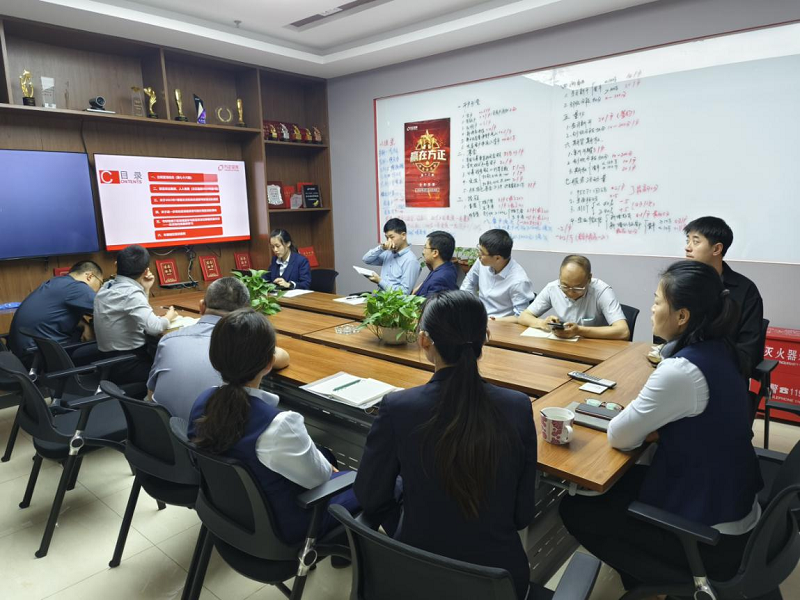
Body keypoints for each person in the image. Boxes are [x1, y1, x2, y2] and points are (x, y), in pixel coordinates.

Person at [559, 260, 763, 592]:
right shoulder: (722, 349)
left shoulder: (681, 371)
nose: (652, 310)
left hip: (711, 536)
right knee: (625, 480)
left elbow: (620, 435)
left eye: (657, 302)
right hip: (737, 504)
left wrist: (647, 419)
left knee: (577, 509)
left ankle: (654, 587)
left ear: (682, 316)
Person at [354, 290, 538, 600]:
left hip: (414, 574)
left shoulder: (398, 408)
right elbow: (522, 515)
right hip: (497, 583)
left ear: (424, 340)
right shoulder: (518, 407)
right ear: (485, 338)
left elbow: (370, 497)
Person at [189, 308, 359, 545]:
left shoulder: (202, 401)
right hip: (281, 530)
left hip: (231, 517)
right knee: (382, 484)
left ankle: (345, 546)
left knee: (325, 455)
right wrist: (326, 467)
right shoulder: (279, 425)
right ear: (270, 363)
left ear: (214, 358)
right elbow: (321, 478)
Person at [147, 277, 290, 420]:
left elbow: (151, 394)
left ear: (201, 306)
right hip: (217, 430)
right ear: (245, 313)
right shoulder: (241, 344)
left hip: (162, 429)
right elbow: (282, 358)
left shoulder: (168, 340)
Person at [683, 216, 764, 377]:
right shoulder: (681, 284)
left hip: (724, 375)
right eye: (688, 240)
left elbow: (748, 354)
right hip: (680, 370)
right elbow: (664, 337)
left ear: (716, 249)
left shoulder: (746, 291)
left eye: (696, 242)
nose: (687, 248)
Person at [93, 245, 178, 388]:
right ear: (145, 271)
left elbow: (135, 311)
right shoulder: (130, 293)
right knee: (176, 373)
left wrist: (145, 289)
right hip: (128, 364)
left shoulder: (107, 286)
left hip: (109, 361)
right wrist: (169, 316)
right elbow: (154, 328)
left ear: (116, 265)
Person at [9, 261, 103, 364]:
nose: (98, 289)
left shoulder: (57, 282)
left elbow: (57, 314)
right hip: (42, 357)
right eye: (100, 283)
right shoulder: (77, 287)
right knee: (108, 347)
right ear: (89, 276)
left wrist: (85, 325)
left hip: (25, 352)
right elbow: (109, 308)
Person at [518, 255, 629, 340]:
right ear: (559, 277)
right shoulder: (552, 288)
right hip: (564, 346)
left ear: (589, 279)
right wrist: (542, 323)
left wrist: (579, 330)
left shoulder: (601, 291)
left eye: (578, 288)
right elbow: (523, 316)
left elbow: (623, 332)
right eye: (565, 286)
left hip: (594, 347)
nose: (570, 292)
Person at [459, 229, 534, 319]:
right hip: (479, 318)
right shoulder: (481, 262)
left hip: (501, 323)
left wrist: (494, 321)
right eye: (479, 249)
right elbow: (469, 283)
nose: (478, 254)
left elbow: (520, 317)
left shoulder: (518, 281)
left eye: (482, 253)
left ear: (497, 258)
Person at [362, 218, 421, 294]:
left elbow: (404, 293)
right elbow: (366, 259)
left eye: (392, 237)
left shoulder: (411, 261)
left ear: (403, 235)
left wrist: (380, 281)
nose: (389, 241)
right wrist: (382, 248)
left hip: (393, 301)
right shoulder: (388, 253)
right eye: (387, 238)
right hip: (379, 298)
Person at [413, 230, 459, 297]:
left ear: (435, 253)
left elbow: (431, 303)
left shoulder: (439, 280)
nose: (423, 252)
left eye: (425, 248)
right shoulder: (447, 267)